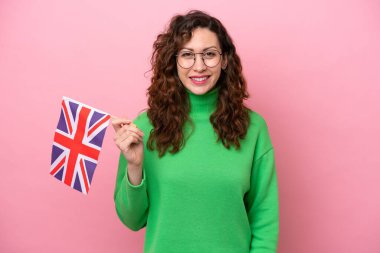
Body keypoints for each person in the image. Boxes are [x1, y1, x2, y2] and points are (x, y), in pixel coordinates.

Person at [112, 10, 279, 253]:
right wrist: (135, 167)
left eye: (209, 54)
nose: (198, 66)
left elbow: (265, 219)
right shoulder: (145, 127)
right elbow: (132, 219)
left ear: (224, 60)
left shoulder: (253, 128)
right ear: (173, 61)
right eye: (187, 55)